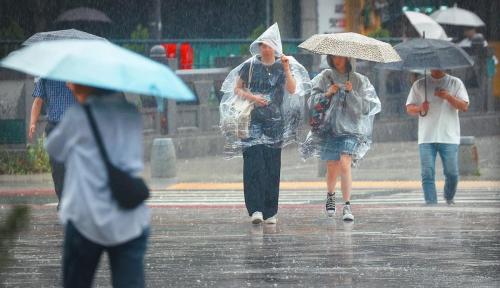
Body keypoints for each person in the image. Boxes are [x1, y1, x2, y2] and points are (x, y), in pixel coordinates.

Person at [45, 83, 150, 287]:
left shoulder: (76, 116)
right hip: (127, 218)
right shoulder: (130, 113)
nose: (69, 84)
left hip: (85, 217)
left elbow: (54, 149)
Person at [219, 23, 310, 225]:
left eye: (268, 45)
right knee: (253, 165)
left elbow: (293, 89)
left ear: (275, 47)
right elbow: (237, 89)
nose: (264, 48)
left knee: (271, 166)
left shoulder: (282, 65)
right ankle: (255, 209)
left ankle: (270, 211)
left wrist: (287, 68)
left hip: (274, 122)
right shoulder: (250, 65)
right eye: (262, 45)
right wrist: (253, 98)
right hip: (251, 120)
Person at [303, 55, 381, 221]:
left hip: (351, 130)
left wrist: (351, 93)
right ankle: (331, 195)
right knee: (332, 166)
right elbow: (312, 103)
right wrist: (328, 93)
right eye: (333, 57)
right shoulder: (325, 76)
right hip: (329, 129)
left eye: (340, 57)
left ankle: (347, 205)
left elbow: (366, 108)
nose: (336, 59)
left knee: (345, 163)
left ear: (348, 58)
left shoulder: (360, 80)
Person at [406, 70, 469, 205]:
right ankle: (431, 203)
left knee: (452, 173)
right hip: (426, 137)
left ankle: (449, 196)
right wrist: (420, 108)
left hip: (449, 136)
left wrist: (448, 97)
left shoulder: (455, 82)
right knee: (427, 173)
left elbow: (464, 106)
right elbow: (409, 108)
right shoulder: (419, 84)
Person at [30, 78, 76, 207]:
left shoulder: (76, 75)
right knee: (57, 167)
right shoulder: (45, 77)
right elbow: (38, 101)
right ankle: (64, 202)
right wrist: (33, 122)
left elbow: (85, 98)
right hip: (55, 127)